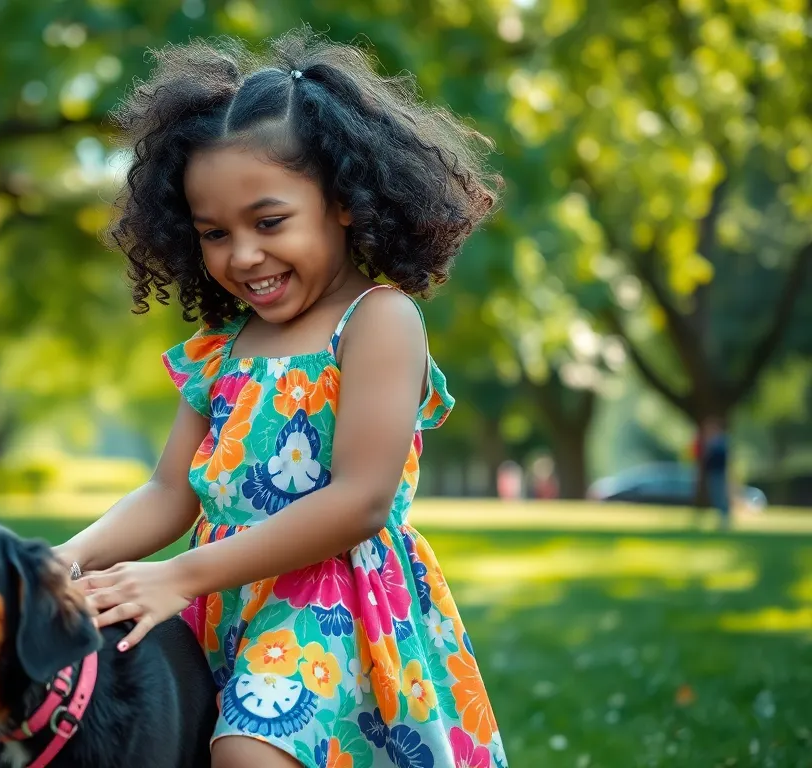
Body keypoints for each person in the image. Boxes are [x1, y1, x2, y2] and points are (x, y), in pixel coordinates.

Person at [54, 28, 507, 768]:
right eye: (214, 233)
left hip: (334, 607)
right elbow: (171, 491)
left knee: (249, 751)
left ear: (344, 202)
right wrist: (63, 562)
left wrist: (176, 576)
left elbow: (360, 500)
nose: (243, 256)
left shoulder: (379, 321)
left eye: (269, 222)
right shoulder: (220, 347)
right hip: (220, 605)